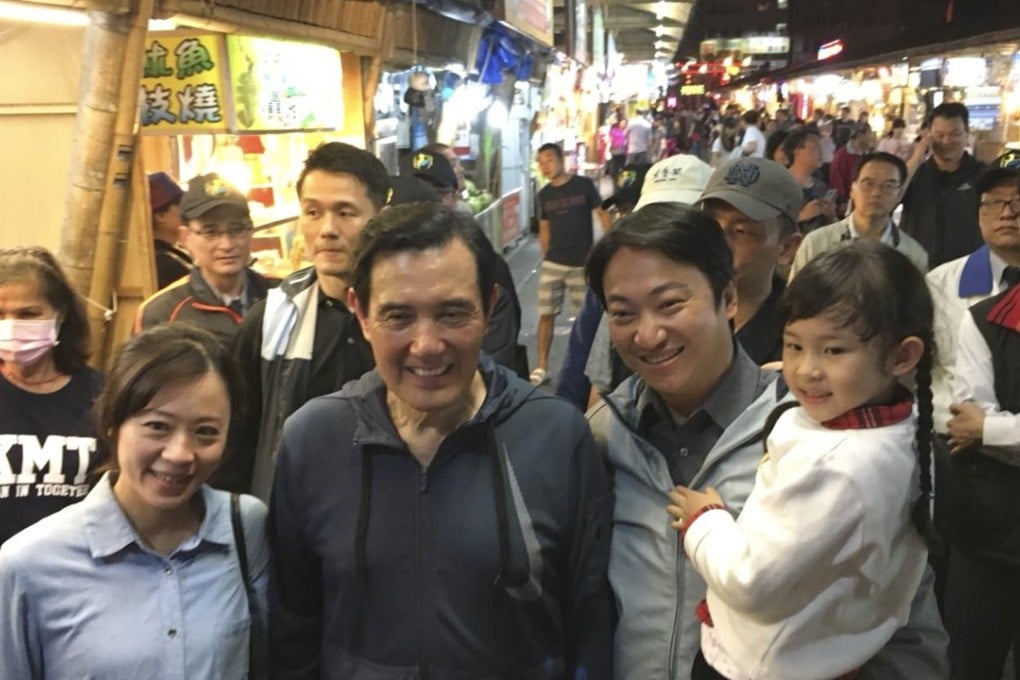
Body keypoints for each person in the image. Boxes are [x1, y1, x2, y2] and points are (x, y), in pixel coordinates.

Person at [584, 206, 949, 679]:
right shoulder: (601, 436)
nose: (648, 334)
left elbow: (905, 614)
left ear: (729, 297)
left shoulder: (833, 439)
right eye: (623, 313)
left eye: (671, 303)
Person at [268, 203, 614, 677]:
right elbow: (292, 630)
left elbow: (589, 623)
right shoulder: (313, 440)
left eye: (452, 313)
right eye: (398, 316)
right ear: (361, 314)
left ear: (489, 308)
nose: (427, 344)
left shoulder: (556, 436)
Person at [668, 242, 934, 679]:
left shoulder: (837, 469)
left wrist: (706, 522)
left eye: (833, 351)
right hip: (836, 644)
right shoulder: (900, 423)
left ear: (901, 356)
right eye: (795, 346)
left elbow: (752, 582)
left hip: (759, 664)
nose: (807, 370)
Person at [0, 323, 269, 679]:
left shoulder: (245, 527)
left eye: (205, 432)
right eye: (157, 426)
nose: (179, 454)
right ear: (113, 423)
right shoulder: (28, 565)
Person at [225, 143, 386, 497]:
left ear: (380, 216)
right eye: (312, 212)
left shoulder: (410, 317)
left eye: (345, 213)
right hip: (297, 523)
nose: (327, 229)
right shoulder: (272, 319)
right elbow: (237, 439)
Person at [932, 167, 1020, 679]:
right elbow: (953, 398)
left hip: (978, 447)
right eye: (995, 202)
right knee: (969, 648)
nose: (1008, 211)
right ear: (979, 214)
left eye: (1018, 201)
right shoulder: (947, 286)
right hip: (974, 494)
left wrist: (991, 430)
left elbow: (980, 422)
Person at [0, 247, 104, 546]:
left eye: (28, 314)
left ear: (60, 315)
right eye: (0, 315)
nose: (11, 326)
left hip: (76, 573)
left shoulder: (102, 395)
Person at [135, 172, 275, 346]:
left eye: (236, 229)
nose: (226, 244)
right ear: (186, 237)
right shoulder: (162, 313)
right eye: (211, 232)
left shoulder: (282, 296)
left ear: (250, 232)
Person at [532, 142, 609, 386]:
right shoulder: (544, 195)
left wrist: (610, 243)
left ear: (561, 160)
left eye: (549, 159)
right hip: (553, 263)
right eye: (541, 162)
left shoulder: (583, 185)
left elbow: (601, 213)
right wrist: (547, 254)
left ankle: (583, 367)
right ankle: (542, 366)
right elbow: (544, 227)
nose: (545, 165)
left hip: (581, 263)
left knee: (585, 318)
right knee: (546, 315)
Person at [789, 152, 928, 279]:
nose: (876, 192)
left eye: (888, 186)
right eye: (868, 184)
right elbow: (794, 301)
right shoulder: (817, 243)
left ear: (899, 195)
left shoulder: (912, 254)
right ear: (852, 189)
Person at [901, 102, 986, 268]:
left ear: (967, 134)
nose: (946, 141)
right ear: (929, 135)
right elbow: (893, 196)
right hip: (918, 271)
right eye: (939, 135)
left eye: (955, 134)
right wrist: (917, 155)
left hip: (966, 271)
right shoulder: (915, 173)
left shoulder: (981, 174)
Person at [782, 127, 837, 233]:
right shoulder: (779, 184)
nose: (821, 152)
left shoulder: (821, 187)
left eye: (821, 147)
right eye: (815, 147)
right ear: (797, 152)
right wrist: (801, 216)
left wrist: (829, 215)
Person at [148, 172, 192, 289]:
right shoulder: (164, 263)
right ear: (161, 215)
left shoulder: (171, 252)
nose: (188, 210)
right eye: (181, 204)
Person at [830, 122, 875, 217]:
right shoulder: (842, 154)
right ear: (859, 135)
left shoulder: (868, 154)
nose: (871, 136)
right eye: (868, 133)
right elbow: (836, 177)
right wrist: (842, 200)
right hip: (847, 200)